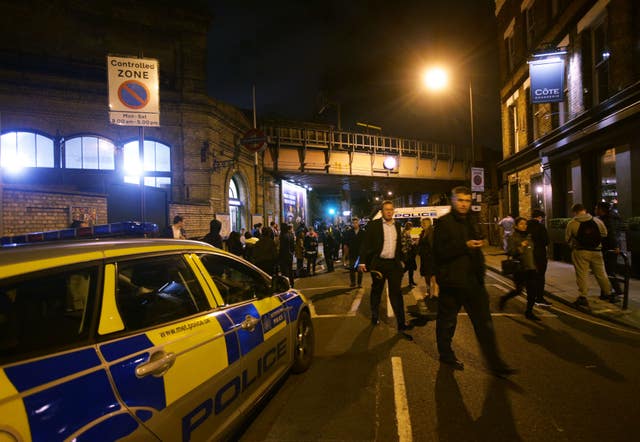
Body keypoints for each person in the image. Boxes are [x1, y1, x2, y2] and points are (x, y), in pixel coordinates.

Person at [434, 186, 516, 376]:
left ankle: (495, 363)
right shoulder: (443, 223)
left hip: (473, 282)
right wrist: (465, 246)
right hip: (452, 283)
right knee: (447, 322)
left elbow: (477, 245)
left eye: (467, 200)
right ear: (453, 201)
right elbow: (440, 252)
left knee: (484, 324)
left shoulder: (473, 220)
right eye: (460, 200)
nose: (464, 204)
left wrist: (479, 248)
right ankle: (445, 354)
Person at [358, 200, 412, 340]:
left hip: (393, 265)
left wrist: (401, 260)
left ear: (393, 211)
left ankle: (401, 323)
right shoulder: (374, 225)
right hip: (379, 264)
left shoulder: (397, 226)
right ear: (382, 212)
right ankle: (375, 315)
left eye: (391, 209)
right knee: (377, 290)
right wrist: (362, 261)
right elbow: (365, 244)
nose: (389, 211)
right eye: (386, 209)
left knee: (396, 294)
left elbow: (399, 245)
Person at [565, 203, 611, 309]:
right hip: (597, 251)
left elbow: (567, 239)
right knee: (601, 273)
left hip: (580, 251)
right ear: (585, 210)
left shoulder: (572, 223)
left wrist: (573, 245)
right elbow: (604, 234)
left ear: (575, 212)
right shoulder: (597, 221)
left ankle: (583, 296)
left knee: (582, 274)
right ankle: (608, 293)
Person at [498, 217, 539, 320]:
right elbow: (511, 252)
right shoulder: (512, 237)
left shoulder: (529, 236)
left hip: (531, 268)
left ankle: (529, 312)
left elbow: (532, 251)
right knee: (518, 290)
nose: (524, 226)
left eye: (525, 224)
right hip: (520, 268)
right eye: (521, 224)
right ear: (516, 226)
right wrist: (520, 246)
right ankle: (504, 298)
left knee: (532, 292)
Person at [595, 202, 623, 302]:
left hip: (608, 248)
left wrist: (615, 246)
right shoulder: (615, 217)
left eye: (596, 208)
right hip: (613, 247)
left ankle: (617, 291)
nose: (595, 210)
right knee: (607, 270)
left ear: (601, 209)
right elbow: (619, 232)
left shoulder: (607, 219)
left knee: (607, 271)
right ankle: (605, 293)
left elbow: (611, 233)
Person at [527, 209, 552, 306]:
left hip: (529, 255)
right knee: (540, 276)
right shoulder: (541, 227)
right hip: (539, 255)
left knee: (530, 277)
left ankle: (531, 298)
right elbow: (546, 241)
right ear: (540, 217)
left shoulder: (526, 225)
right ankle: (539, 297)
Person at [418, 217, 437, 298]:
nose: (422, 225)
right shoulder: (423, 232)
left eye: (424, 223)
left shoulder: (431, 232)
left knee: (432, 274)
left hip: (431, 257)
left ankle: (435, 293)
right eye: (422, 223)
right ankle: (428, 290)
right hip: (424, 258)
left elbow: (433, 245)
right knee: (426, 275)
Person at [343, 217, 364, 287]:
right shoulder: (349, 232)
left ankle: (359, 283)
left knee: (360, 269)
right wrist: (346, 254)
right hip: (352, 253)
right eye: (353, 223)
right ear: (352, 224)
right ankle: (353, 282)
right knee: (352, 268)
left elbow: (365, 243)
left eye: (356, 222)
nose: (355, 224)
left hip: (360, 254)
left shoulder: (363, 232)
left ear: (358, 223)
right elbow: (346, 243)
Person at [401, 222, 418, 287]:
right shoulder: (407, 233)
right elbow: (410, 243)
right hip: (407, 253)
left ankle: (411, 282)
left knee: (410, 268)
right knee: (408, 267)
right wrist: (416, 242)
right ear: (410, 227)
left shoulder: (403, 232)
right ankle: (398, 276)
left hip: (406, 253)